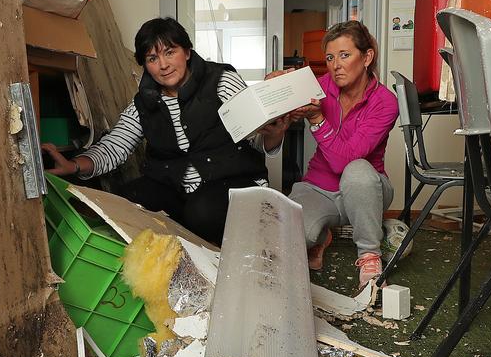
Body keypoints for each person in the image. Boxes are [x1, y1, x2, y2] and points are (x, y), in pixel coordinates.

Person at [42, 17, 288, 245]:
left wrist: (273, 134)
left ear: (187, 52)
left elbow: (254, 136)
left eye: (170, 52)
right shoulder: (144, 102)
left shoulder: (222, 80)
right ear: (145, 66)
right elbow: (115, 146)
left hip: (231, 182)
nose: (163, 65)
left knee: (202, 213)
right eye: (152, 59)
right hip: (177, 188)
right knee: (126, 199)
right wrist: (74, 166)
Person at [280, 21, 398, 291]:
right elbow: (283, 98)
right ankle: (321, 235)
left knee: (356, 170)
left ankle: (370, 254)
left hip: (366, 189)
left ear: (366, 57)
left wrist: (318, 120)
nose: (335, 65)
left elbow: (345, 162)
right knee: (287, 235)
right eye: (330, 58)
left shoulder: (385, 102)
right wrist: (280, 89)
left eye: (345, 55)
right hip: (318, 188)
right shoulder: (319, 87)